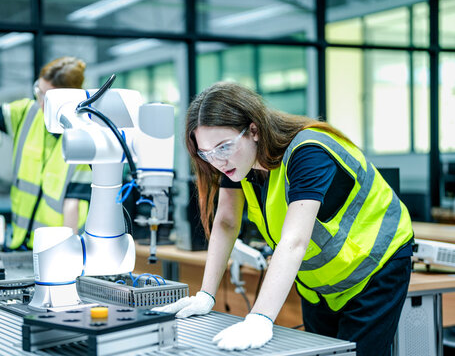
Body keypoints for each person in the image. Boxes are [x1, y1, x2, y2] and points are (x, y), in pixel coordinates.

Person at [153, 82, 413, 355]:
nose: (217, 161)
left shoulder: (308, 152)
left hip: (375, 266)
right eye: (207, 153)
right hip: (319, 283)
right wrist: (206, 294)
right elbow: (227, 222)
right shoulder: (239, 164)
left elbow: (294, 241)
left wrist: (260, 318)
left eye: (223, 147)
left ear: (253, 130)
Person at [0, 56, 92, 250]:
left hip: (53, 248)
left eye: (50, 98)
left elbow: (73, 205)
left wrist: (68, 254)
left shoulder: (84, 138)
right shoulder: (26, 113)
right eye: (40, 92)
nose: (42, 103)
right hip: (18, 243)